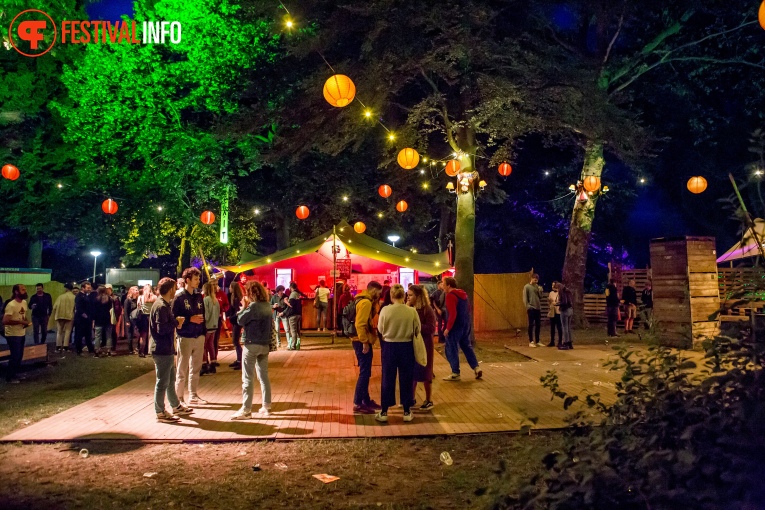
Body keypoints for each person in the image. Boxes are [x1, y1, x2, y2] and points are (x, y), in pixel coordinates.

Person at [150, 277, 194, 423]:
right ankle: (160, 411)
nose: (176, 290)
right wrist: (177, 322)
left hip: (166, 348)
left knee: (170, 380)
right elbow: (161, 329)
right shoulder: (161, 306)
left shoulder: (164, 304)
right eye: (175, 288)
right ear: (170, 289)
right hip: (161, 349)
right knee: (162, 381)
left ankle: (175, 405)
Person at [375, 284, 420, 423]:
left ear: (391, 296)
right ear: (404, 295)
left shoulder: (385, 310)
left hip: (389, 346)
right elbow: (417, 329)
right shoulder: (411, 311)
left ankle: (384, 411)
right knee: (406, 378)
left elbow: (380, 329)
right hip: (406, 346)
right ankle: (406, 410)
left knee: (387, 378)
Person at [231, 281, 274, 420]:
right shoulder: (267, 306)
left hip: (251, 344)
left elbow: (240, 320)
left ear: (250, 293)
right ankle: (267, 405)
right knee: (264, 376)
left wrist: (243, 307)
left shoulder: (253, 307)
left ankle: (246, 409)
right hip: (264, 345)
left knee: (247, 378)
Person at [173, 267, 207, 406]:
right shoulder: (179, 297)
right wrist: (189, 319)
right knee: (182, 368)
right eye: (195, 279)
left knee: (196, 367)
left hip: (198, 335)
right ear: (187, 280)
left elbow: (202, 314)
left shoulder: (198, 296)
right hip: (185, 336)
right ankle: (179, 398)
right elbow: (173, 317)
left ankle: (193, 395)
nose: (198, 281)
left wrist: (203, 332)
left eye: (198, 279)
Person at [350, 281, 383, 414]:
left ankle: (365, 400)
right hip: (361, 341)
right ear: (374, 290)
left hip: (360, 340)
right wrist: (364, 341)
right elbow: (360, 324)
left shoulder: (363, 300)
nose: (379, 296)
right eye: (379, 293)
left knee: (366, 371)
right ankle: (358, 403)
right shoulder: (366, 302)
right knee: (364, 372)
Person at [442, 277, 483, 381]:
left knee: (451, 348)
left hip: (455, 326)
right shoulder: (463, 294)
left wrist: (448, 328)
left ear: (449, 285)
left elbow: (453, 313)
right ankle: (476, 367)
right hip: (465, 324)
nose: (442, 286)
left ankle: (455, 372)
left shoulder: (450, 296)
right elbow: (468, 308)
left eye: (443, 283)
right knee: (466, 346)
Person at [407, 285, 437, 410]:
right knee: (412, 371)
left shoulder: (427, 310)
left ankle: (428, 399)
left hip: (425, 344)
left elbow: (431, 328)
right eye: (407, 295)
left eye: (410, 295)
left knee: (425, 371)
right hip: (412, 343)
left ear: (418, 296)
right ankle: (411, 398)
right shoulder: (409, 308)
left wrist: (417, 328)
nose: (408, 297)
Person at [2, 284, 30, 383]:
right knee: (15, 356)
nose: (25, 291)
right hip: (12, 334)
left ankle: (15, 374)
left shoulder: (24, 302)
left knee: (20, 355)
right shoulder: (11, 305)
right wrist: (20, 322)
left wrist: (26, 322)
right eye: (23, 289)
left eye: (25, 289)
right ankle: (9, 378)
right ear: (16, 292)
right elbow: (5, 321)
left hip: (21, 332)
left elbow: (22, 315)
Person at [201, 281, 220, 375]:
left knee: (203, 346)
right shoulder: (215, 300)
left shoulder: (206, 299)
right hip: (214, 325)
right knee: (211, 345)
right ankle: (213, 363)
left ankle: (204, 364)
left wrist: (203, 322)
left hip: (207, 325)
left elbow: (206, 314)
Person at [52, 283, 75, 353]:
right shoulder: (74, 297)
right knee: (68, 331)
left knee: (59, 332)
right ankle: (65, 347)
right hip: (70, 316)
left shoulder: (60, 297)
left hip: (60, 316)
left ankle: (58, 347)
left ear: (66, 289)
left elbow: (54, 307)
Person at [74, 282, 96, 356]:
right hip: (81, 319)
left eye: (90, 288)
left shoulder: (86, 296)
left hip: (87, 319)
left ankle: (90, 349)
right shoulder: (79, 296)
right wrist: (85, 316)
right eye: (88, 288)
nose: (89, 289)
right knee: (79, 335)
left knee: (88, 334)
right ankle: (79, 350)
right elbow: (79, 308)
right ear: (83, 288)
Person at [93, 286, 114, 356]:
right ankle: (109, 351)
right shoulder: (110, 299)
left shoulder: (96, 299)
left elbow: (94, 310)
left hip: (98, 319)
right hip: (108, 318)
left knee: (97, 336)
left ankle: (97, 351)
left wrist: (93, 320)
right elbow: (111, 309)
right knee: (109, 335)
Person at [523, 274, 543, 347]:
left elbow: (540, 297)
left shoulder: (537, 286)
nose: (536, 280)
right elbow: (525, 297)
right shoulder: (527, 287)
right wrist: (528, 306)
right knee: (531, 324)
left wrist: (540, 291)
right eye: (535, 279)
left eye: (537, 279)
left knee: (538, 324)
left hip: (538, 308)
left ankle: (537, 341)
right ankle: (531, 341)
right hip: (531, 308)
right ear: (531, 278)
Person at [136, 284, 156, 357]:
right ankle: (151, 350)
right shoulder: (154, 297)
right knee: (152, 335)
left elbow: (138, 307)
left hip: (143, 317)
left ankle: (141, 351)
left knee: (143, 336)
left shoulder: (141, 297)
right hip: (151, 317)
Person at [228, 281, 244, 369]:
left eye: (230, 287)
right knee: (235, 341)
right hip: (235, 321)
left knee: (235, 341)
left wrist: (231, 317)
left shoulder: (236, 299)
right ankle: (238, 359)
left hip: (237, 322)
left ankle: (239, 361)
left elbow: (238, 311)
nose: (229, 288)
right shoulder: (234, 297)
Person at [284, 282, 305, 350]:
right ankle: (298, 344)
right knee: (297, 331)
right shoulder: (298, 294)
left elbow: (291, 305)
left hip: (293, 315)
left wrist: (286, 301)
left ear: (291, 287)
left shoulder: (292, 294)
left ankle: (293, 346)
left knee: (293, 331)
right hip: (298, 314)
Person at [212, 281, 229, 365]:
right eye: (213, 284)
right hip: (208, 320)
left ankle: (214, 359)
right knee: (208, 341)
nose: (215, 286)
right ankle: (207, 360)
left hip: (218, 319)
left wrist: (222, 310)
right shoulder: (207, 294)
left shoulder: (222, 294)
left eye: (216, 284)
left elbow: (226, 305)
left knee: (216, 339)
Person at [105, 284, 122, 352]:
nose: (106, 291)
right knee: (109, 332)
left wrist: (116, 317)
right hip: (107, 317)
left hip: (112, 317)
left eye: (107, 289)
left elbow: (118, 309)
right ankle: (109, 346)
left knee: (113, 332)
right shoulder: (105, 297)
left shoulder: (115, 298)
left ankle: (113, 346)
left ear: (110, 289)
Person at [430, 280, 447, 344]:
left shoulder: (444, 292)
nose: (442, 286)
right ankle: (440, 338)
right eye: (441, 284)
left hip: (444, 309)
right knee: (439, 324)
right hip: (439, 309)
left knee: (446, 322)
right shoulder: (435, 293)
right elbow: (433, 301)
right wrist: (437, 309)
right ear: (438, 285)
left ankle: (443, 336)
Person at [558, 283, 574, 349]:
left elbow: (564, 302)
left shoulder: (562, 292)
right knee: (568, 327)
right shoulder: (568, 292)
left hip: (565, 311)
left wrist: (557, 304)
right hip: (570, 310)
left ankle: (566, 343)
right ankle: (570, 343)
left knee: (564, 327)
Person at [123, 286, 138, 354]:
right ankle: (130, 349)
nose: (137, 291)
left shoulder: (138, 299)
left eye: (137, 290)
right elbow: (125, 311)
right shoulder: (128, 300)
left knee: (136, 334)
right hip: (130, 319)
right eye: (135, 290)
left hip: (136, 319)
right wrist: (127, 321)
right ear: (131, 291)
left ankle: (137, 348)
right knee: (130, 334)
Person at [546, 281, 562, 347]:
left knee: (559, 327)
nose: (552, 287)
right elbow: (549, 302)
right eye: (552, 285)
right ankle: (552, 341)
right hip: (552, 311)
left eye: (554, 285)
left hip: (558, 312)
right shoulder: (551, 293)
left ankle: (560, 341)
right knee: (552, 327)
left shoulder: (560, 293)